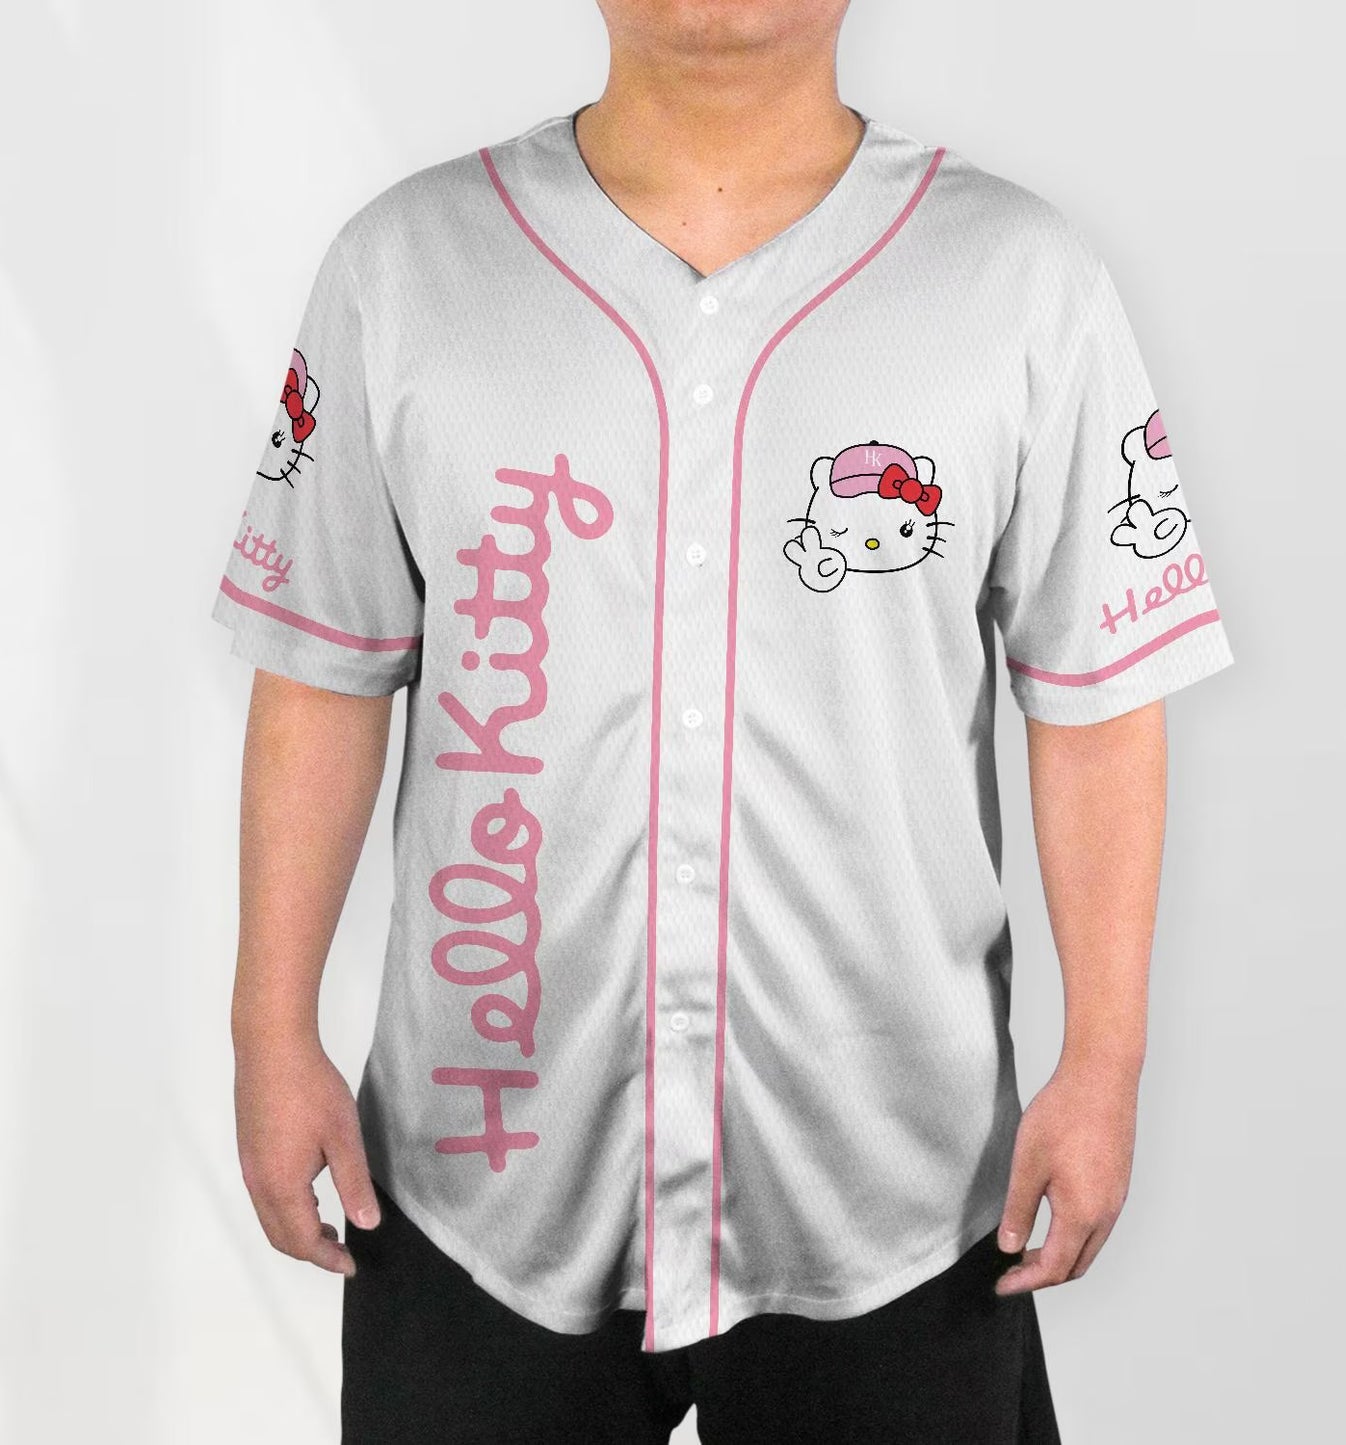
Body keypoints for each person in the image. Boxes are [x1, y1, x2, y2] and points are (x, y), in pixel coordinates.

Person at [212, 1, 1232, 1440]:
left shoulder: (1019, 280)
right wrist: (268, 1028)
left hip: (893, 1173)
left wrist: (1105, 1059)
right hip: (481, 1162)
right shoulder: (406, 267)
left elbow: (1097, 699)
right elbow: (322, 670)